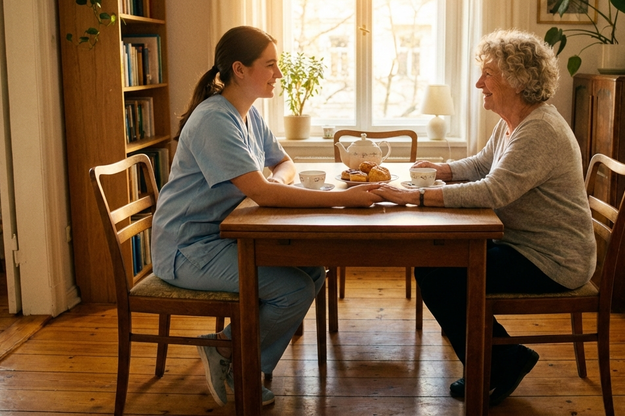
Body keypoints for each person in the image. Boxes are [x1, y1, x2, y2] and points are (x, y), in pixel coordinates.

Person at [151, 26, 381, 407]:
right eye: (270, 65)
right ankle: (228, 353)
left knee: (311, 270)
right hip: (188, 249)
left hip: (225, 237)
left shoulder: (248, 115)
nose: (278, 74)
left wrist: (274, 178)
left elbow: (284, 164)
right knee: (291, 290)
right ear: (239, 70)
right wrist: (343, 201)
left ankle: (231, 348)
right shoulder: (214, 119)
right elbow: (260, 193)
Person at [374, 29, 596, 406]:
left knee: (443, 278)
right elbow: (481, 164)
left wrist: (419, 196)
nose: (479, 83)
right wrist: (442, 169)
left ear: (518, 80)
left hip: (553, 259)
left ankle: (500, 362)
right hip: (524, 244)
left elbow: (494, 190)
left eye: (488, 74)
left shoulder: (540, 130)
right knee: (435, 266)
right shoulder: (516, 121)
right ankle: (499, 358)